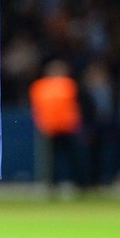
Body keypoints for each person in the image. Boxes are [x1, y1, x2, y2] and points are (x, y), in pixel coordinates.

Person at [29, 59, 84, 193]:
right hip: (50, 128)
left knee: (72, 158)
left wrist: (76, 123)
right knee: (50, 160)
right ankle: (51, 185)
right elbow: (37, 108)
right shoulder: (40, 86)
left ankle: (78, 184)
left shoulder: (68, 85)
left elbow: (75, 107)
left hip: (67, 128)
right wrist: (40, 124)